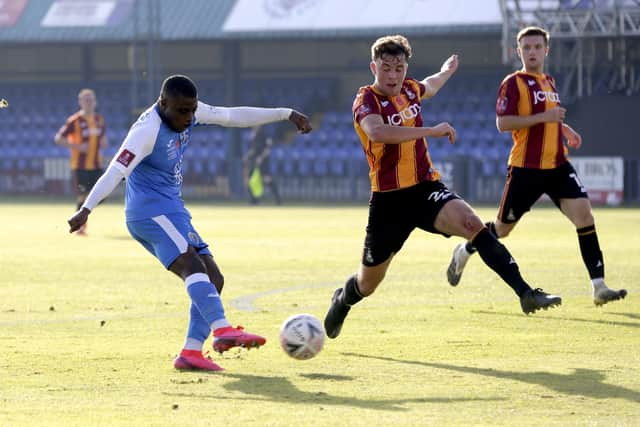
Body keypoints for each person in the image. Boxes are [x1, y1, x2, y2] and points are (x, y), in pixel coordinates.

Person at [323, 35, 562, 340]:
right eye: (386, 69)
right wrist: (430, 131)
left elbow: (431, 85)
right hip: (389, 203)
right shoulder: (366, 99)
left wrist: (447, 70)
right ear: (374, 67)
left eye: (399, 68)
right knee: (367, 284)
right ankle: (343, 301)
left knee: (473, 224)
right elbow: (377, 131)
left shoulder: (410, 89)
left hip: (425, 189)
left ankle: (526, 293)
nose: (393, 76)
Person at [67, 75, 312, 371]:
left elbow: (233, 116)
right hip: (149, 212)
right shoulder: (146, 131)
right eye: (181, 111)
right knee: (191, 265)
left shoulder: (190, 110)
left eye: (192, 110)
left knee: (214, 278)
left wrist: (285, 113)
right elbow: (116, 171)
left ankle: (191, 353)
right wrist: (87, 209)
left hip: (172, 210)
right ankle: (222, 329)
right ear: (163, 103)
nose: (188, 118)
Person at [446, 26, 627, 307]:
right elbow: (503, 123)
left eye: (537, 47)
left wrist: (563, 128)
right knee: (503, 230)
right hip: (526, 169)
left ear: (546, 50)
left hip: (557, 165)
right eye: (526, 47)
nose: (532, 52)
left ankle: (599, 286)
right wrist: (547, 116)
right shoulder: (513, 83)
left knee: (584, 216)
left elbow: (546, 117)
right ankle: (466, 249)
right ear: (518, 51)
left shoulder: (549, 81)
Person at [55, 88, 108, 236]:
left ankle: (80, 219)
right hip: (80, 165)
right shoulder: (74, 121)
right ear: (80, 102)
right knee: (83, 195)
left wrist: (103, 142)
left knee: (102, 195)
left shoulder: (99, 120)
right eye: (86, 100)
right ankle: (79, 225)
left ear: (95, 102)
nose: (89, 102)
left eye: (91, 99)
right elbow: (59, 138)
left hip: (96, 164)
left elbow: (102, 138)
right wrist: (77, 146)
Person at [242, 124, 282, 205]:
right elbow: (253, 149)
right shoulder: (252, 135)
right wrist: (247, 156)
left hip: (263, 162)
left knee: (266, 179)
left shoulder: (264, 134)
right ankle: (254, 200)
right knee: (250, 180)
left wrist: (261, 158)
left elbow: (267, 149)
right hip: (253, 161)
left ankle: (278, 199)